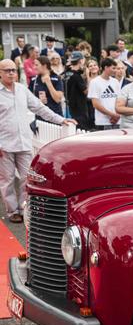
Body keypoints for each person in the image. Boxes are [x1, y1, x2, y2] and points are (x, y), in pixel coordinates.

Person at [0, 58, 75, 222]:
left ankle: (26, 208)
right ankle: (13, 212)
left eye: (13, 70)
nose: (11, 73)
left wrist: (61, 119)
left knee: (27, 177)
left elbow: (39, 108)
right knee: (7, 179)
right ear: (0, 73)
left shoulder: (22, 90)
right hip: (4, 144)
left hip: (24, 142)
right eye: (7, 70)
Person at [88, 58, 121, 130]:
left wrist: (117, 116)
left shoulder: (115, 82)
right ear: (106, 67)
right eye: (113, 68)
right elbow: (95, 104)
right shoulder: (95, 82)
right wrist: (112, 115)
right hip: (102, 122)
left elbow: (119, 100)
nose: (115, 70)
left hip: (116, 121)